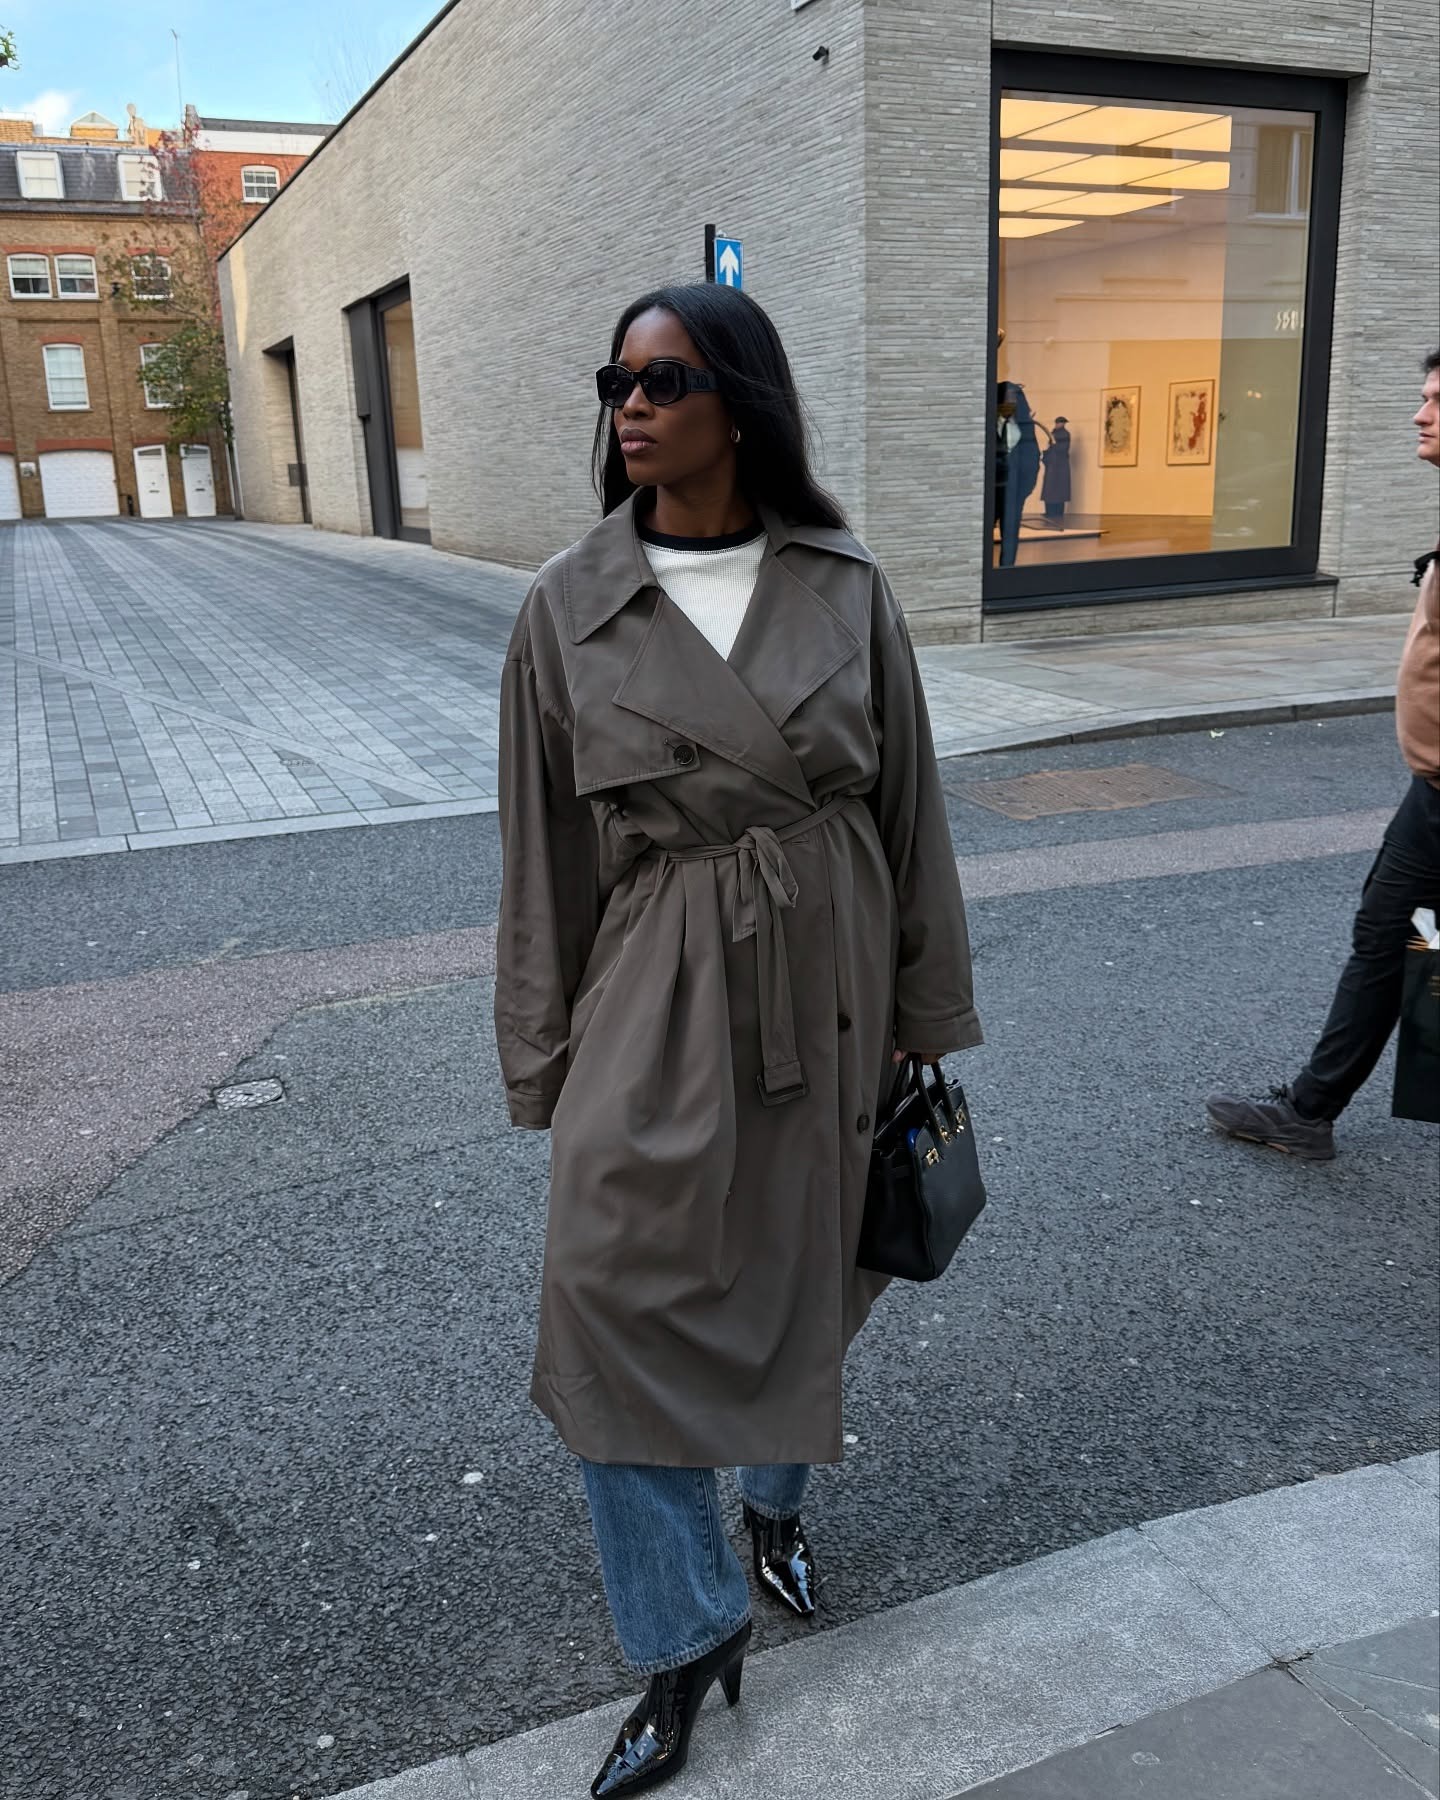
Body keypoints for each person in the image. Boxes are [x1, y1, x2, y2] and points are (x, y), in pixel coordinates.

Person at [494, 283, 980, 1795]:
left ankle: (774, 1500)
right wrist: (546, 1061)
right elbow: (541, 863)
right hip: (655, 989)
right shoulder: (568, 606)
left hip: (828, 978)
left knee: (818, 1264)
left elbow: (911, 817)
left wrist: (923, 1015)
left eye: (667, 378)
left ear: (743, 402)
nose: (631, 405)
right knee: (603, 1301)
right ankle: (689, 1629)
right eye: (617, 380)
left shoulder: (843, 585)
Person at [1206, 348, 1440, 1160]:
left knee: (1389, 939)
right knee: (1383, 937)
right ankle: (1309, 1113)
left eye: (1436, 400)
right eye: (1423, 396)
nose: (1420, 413)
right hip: (1432, 795)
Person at [1041, 417, 1072, 525]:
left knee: (1058, 490)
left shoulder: (1065, 434)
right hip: (1052, 464)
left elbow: (1063, 449)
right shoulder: (1053, 433)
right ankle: (1049, 511)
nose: (1060, 424)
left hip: (1059, 465)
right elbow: (1051, 447)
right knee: (1050, 489)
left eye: (1062, 423)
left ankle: (1057, 512)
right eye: (1059, 422)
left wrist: (1054, 445)